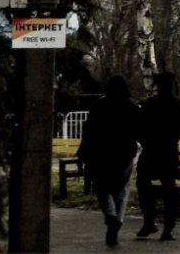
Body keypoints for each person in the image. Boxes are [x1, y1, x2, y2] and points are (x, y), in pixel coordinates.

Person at [77, 76, 140, 247]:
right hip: (124, 154)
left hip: (101, 154)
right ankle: (116, 222)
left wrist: (82, 154)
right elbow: (139, 130)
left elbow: (88, 131)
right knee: (121, 191)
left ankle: (111, 216)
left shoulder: (99, 105)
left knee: (103, 188)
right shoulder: (132, 106)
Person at [135, 72, 180, 241]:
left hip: (150, 151)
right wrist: (171, 139)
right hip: (169, 152)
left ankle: (149, 222)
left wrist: (145, 141)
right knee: (170, 191)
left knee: (143, 186)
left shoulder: (148, 104)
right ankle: (168, 228)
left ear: (156, 85)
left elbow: (138, 127)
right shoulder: (179, 105)